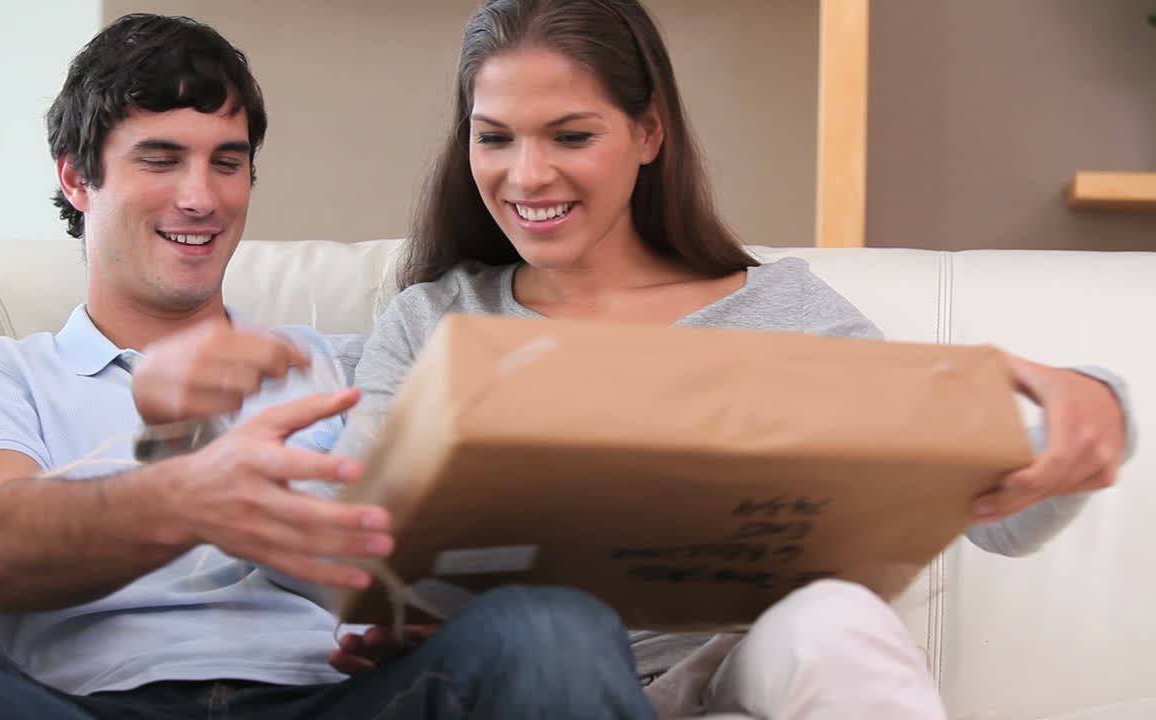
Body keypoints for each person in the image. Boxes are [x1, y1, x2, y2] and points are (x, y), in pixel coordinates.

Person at [313, 1, 1136, 718]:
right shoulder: (433, 320)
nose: (526, 174)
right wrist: (381, 616)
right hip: (511, 671)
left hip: (724, 675)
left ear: (647, 133)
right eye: (494, 138)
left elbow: (991, 516)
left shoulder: (780, 311)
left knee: (835, 624)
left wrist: (1094, 410)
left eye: (571, 135)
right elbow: (351, 543)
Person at [0, 13, 657, 720]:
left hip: (337, 702)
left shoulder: (351, 367)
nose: (201, 197)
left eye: (228, 161)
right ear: (77, 178)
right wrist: (184, 496)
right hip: (90, 708)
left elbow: (438, 559)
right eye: (161, 158)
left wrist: (419, 618)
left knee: (558, 626)